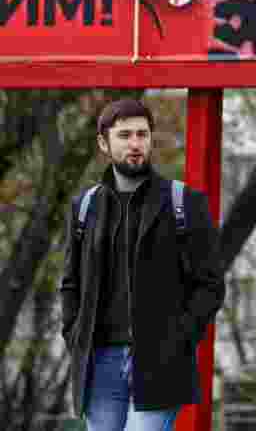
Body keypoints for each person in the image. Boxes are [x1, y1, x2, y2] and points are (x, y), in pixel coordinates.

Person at [59, 98, 225, 431]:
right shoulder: (85, 206)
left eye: (142, 134)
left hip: (159, 363)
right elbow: (70, 282)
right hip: (99, 361)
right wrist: (75, 334)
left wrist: (178, 338)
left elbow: (210, 285)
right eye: (124, 135)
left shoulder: (184, 202)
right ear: (104, 143)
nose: (135, 144)